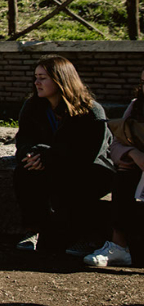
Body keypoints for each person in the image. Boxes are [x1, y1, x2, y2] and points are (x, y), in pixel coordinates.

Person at [12, 55, 114, 254]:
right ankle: (34, 230)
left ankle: (87, 237)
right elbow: (23, 139)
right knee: (24, 173)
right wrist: (31, 154)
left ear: (60, 80)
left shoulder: (90, 112)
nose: (37, 82)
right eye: (36, 77)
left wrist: (47, 157)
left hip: (89, 168)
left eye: (43, 77)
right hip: (50, 163)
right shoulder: (33, 107)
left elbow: (88, 154)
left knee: (80, 181)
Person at [85, 68, 144, 267]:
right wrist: (133, 155)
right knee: (124, 175)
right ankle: (119, 246)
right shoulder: (137, 106)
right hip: (138, 169)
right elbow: (117, 143)